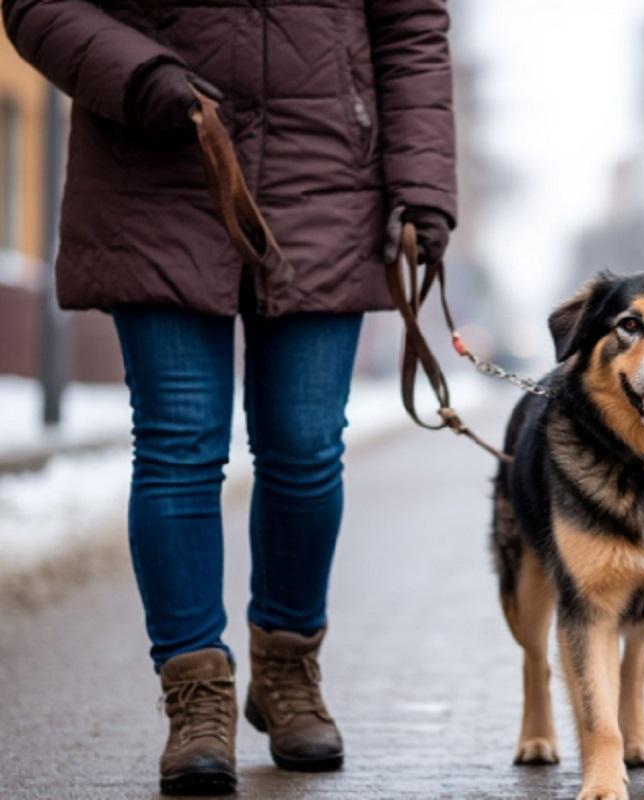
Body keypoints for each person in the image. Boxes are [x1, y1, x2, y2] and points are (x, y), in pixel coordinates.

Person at [3, 0, 456, 794]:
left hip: (324, 176)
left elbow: (410, 23)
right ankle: (196, 698)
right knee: (179, 442)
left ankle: (287, 670)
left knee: (306, 446)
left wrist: (420, 184)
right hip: (156, 161)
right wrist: (139, 77)